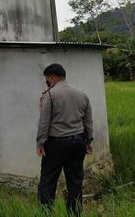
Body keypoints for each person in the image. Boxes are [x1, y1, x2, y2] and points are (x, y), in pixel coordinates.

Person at [36, 63, 94, 217]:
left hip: (56, 144)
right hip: (78, 143)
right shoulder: (82, 94)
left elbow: (44, 123)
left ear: (52, 78)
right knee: (75, 182)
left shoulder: (50, 95)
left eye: (47, 80)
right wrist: (88, 141)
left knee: (48, 181)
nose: (47, 82)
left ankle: (46, 213)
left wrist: (40, 143)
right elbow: (88, 122)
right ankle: (75, 214)